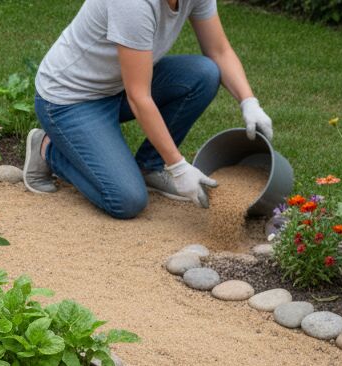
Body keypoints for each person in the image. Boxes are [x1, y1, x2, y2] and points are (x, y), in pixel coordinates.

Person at [23, 0, 272, 218]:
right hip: (71, 99)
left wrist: (248, 102)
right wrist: (178, 166)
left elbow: (219, 50)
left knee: (204, 74)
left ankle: (149, 166)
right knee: (126, 200)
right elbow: (139, 97)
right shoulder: (133, 4)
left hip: (118, 84)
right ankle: (48, 148)